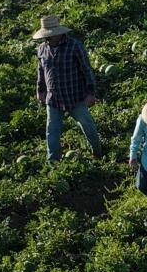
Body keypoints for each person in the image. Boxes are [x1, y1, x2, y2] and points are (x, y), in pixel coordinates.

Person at [33, 15, 103, 162]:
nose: (50, 37)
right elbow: (41, 71)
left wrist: (90, 92)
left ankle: (97, 153)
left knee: (87, 126)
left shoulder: (74, 46)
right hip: (53, 98)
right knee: (52, 131)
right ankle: (53, 161)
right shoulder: (42, 49)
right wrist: (40, 90)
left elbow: (86, 70)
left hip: (75, 96)